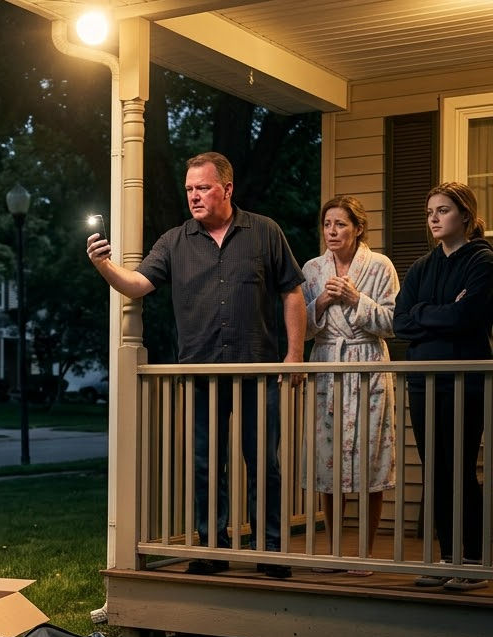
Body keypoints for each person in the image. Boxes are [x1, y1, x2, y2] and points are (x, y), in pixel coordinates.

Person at [86, 151, 307, 579]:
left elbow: (292, 292)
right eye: (189, 189)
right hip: (201, 373)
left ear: (227, 188)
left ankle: (271, 550)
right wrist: (104, 265)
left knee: (264, 463)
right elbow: (137, 285)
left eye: (202, 187)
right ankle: (210, 548)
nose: (194, 196)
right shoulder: (174, 241)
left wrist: (294, 354)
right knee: (205, 464)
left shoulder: (265, 232)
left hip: (258, 374)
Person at [393, 182, 493, 591]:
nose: (434, 218)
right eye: (430, 211)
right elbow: (401, 323)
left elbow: (466, 318)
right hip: (423, 380)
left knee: (460, 466)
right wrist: (439, 312)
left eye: (444, 210)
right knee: (434, 468)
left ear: (465, 215)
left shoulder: (483, 262)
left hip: (464, 381)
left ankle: (472, 557)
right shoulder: (421, 267)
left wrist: (428, 315)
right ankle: (447, 556)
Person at [301, 195, 399, 572]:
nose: (332, 231)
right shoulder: (312, 270)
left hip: (368, 365)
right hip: (326, 365)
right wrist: (321, 302)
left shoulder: (379, 266)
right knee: (328, 463)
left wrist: (357, 298)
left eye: (340, 224)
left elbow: (392, 323)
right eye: (327, 224)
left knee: (370, 461)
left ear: (358, 228)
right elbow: (304, 329)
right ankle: (335, 550)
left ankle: (365, 553)